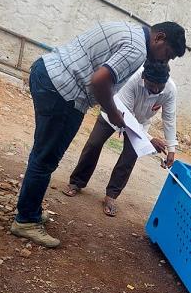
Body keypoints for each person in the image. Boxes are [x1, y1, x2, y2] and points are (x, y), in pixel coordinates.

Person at [11, 20, 186, 247]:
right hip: (65, 92)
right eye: (167, 54)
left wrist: (170, 145)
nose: (165, 61)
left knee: (43, 153)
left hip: (48, 72)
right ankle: (25, 220)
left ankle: (30, 210)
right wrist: (113, 114)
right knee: (45, 159)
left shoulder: (129, 29)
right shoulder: (137, 50)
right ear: (159, 38)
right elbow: (100, 80)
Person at [63, 60, 177, 217]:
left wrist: (171, 149)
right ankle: (76, 182)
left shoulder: (170, 90)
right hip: (115, 113)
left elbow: (169, 118)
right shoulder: (133, 80)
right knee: (94, 144)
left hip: (140, 125)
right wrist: (149, 139)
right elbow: (127, 115)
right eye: (152, 85)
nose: (156, 90)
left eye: (160, 86)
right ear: (144, 77)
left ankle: (111, 197)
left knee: (129, 158)